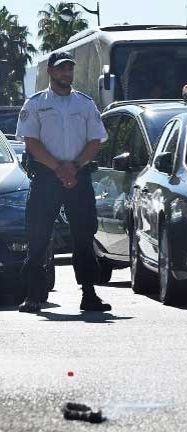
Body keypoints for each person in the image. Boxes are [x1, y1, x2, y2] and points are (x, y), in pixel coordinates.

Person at [15, 52, 111, 313]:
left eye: (69, 69)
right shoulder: (35, 104)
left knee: (83, 235)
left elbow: (95, 140)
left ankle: (89, 293)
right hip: (47, 176)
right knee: (38, 236)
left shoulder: (85, 104)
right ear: (50, 71)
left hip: (78, 176)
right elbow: (31, 142)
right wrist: (58, 168)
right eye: (61, 69)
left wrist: (75, 167)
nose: (66, 74)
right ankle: (34, 295)